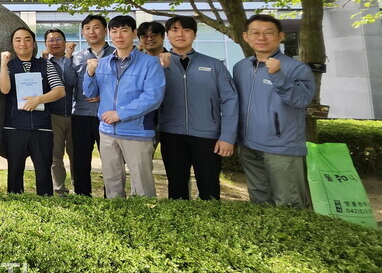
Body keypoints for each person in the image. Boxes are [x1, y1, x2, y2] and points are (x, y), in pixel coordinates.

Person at [234, 14, 315, 208]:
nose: (261, 37)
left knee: (289, 202)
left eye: (268, 33)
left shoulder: (296, 68)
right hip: (248, 144)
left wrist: (277, 75)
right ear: (245, 37)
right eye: (255, 33)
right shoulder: (240, 67)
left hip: (282, 146)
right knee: (259, 199)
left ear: (280, 36)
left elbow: (301, 100)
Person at [84, 15, 165, 199]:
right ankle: (116, 220)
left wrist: (119, 114)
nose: (118, 35)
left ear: (134, 34)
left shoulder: (150, 63)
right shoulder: (103, 63)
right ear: (109, 34)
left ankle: (144, 221)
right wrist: (89, 74)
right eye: (114, 31)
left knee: (142, 186)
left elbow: (153, 97)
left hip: (136, 131)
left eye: (124, 30)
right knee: (112, 184)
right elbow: (89, 94)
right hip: (106, 131)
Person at [157, 16, 237, 200]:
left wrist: (227, 137)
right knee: (176, 189)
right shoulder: (158, 65)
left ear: (194, 34)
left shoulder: (214, 65)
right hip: (171, 133)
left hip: (207, 135)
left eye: (186, 30)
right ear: (167, 35)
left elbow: (230, 100)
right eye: (175, 30)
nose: (180, 34)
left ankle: (211, 225)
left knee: (209, 189)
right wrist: (160, 68)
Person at [0, 28, 66, 196]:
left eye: (27, 39)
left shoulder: (45, 64)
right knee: (14, 172)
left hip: (41, 127)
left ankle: (44, 207)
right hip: (14, 127)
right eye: (18, 40)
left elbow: (60, 90)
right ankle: (15, 207)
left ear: (33, 43)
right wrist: (3, 63)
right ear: (13, 44)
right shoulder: (9, 65)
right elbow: (4, 89)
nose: (23, 43)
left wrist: (39, 99)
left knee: (43, 172)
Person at [69, 15, 115, 196]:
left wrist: (103, 96)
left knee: (111, 160)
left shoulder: (116, 54)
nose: (92, 32)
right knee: (80, 159)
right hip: (81, 114)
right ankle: (82, 196)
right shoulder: (77, 57)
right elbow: (70, 84)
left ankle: (111, 196)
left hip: (107, 116)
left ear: (105, 30)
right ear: (82, 32)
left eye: (96, 27)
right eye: (87, 28)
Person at [42, 28, 78, 196]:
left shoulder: (75, 60)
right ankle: (60, 191)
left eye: (58, 39)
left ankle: (80, 188)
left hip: (75, 115)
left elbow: (70, 81)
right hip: (53, 115)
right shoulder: (42, 63)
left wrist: (69, 57)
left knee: (76, 155)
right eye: (51, 40)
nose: (54, 43)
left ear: (64, 42)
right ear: (45, 44)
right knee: (56, 156)